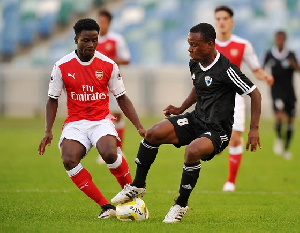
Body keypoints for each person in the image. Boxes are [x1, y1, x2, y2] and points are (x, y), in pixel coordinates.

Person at [111, 23, 262, 223]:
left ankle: (180, 204)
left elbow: (255, 93)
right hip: (195, 119)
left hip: (218, 130)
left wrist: (254, 129)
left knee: (192, 151)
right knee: (152, 133)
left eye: (195, 45)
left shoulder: (226, 69)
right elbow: (198, 88)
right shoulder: (195, 63)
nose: (190, 49)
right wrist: (181, 108)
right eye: (189, 44)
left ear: (209, 44)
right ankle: (138, 185)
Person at [38, 18, 146, 219]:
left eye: (94, 40)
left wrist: (139, 126)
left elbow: (121, 97)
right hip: (75, 123)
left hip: (101, 120)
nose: (90, 45)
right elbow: (52, 100)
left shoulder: (108, 64)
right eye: (85, 40)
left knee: (109, 153)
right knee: (69, 159)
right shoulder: (61, 66)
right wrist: (48, 130)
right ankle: (106, 206)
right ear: (76, 39)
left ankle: (131, 194)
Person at [214, 5, 274, 192]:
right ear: (215, 22)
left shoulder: (242, 45)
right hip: (213, 99)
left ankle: (230, 181)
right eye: (218, 19)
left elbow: (256, 69)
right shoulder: (209, 44)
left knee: (234, 138)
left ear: (232, 22)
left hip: (236, 97)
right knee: (215, 143)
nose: (222, 22)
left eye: (225, 18)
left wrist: (266, 76)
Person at [96, 9, 131, 164]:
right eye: (99, 22)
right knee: (100, 118)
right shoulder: (92, 39)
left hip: (114, 83)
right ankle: (104, 151)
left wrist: (110, 60)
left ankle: (118, 150)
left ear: (109, 23)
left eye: (103, 22)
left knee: (117, 116)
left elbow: (127, 59)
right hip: (96, 85)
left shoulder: (116, 39)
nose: (101, 25)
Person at [263, 30, 300, 160]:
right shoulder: (270, 54)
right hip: (276, 91)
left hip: (289, 91)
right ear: (275, 39)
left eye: (282, 39)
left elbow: (298, 70)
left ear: (285, 40)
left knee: (290, 121)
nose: (279, 41)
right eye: (277, 38)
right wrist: (266, 77)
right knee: (278, 116)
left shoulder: (290, 55)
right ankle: (278, 139)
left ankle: (286, 149)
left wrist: (293, 65)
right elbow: (262, 70)